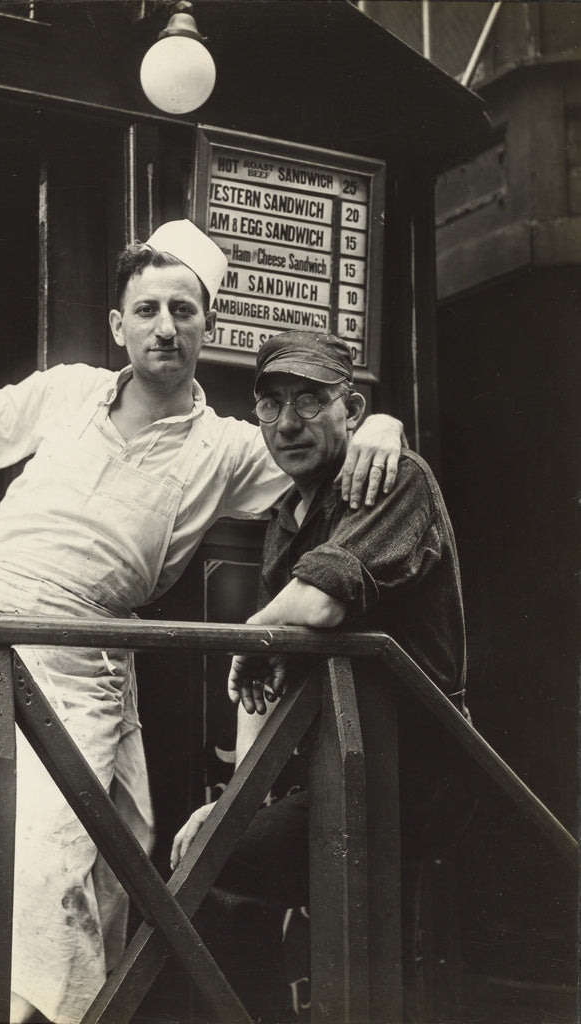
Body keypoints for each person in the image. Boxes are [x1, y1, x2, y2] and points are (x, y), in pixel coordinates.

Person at [0, 222, 405, 1024]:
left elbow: (329, 450)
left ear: (206, 327)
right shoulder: (66, 389)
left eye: (183, 310)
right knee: (40, 865)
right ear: (118, 325)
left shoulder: (229, 446)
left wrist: (384, 425)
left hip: (88, 652)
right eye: (146, 309)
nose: (165, 326)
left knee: (123, 855)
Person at [170, 329, 468, 1021]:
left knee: (216, 868)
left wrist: (255, 636)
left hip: (413, 776)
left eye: (310, 399)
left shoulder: (394, 477)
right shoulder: (287, 516)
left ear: (352, 409)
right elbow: (265, 690)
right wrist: (237, 802)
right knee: (211, 864)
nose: (290, 422)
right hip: (341, 768)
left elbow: (320, 599)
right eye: (271, 404)